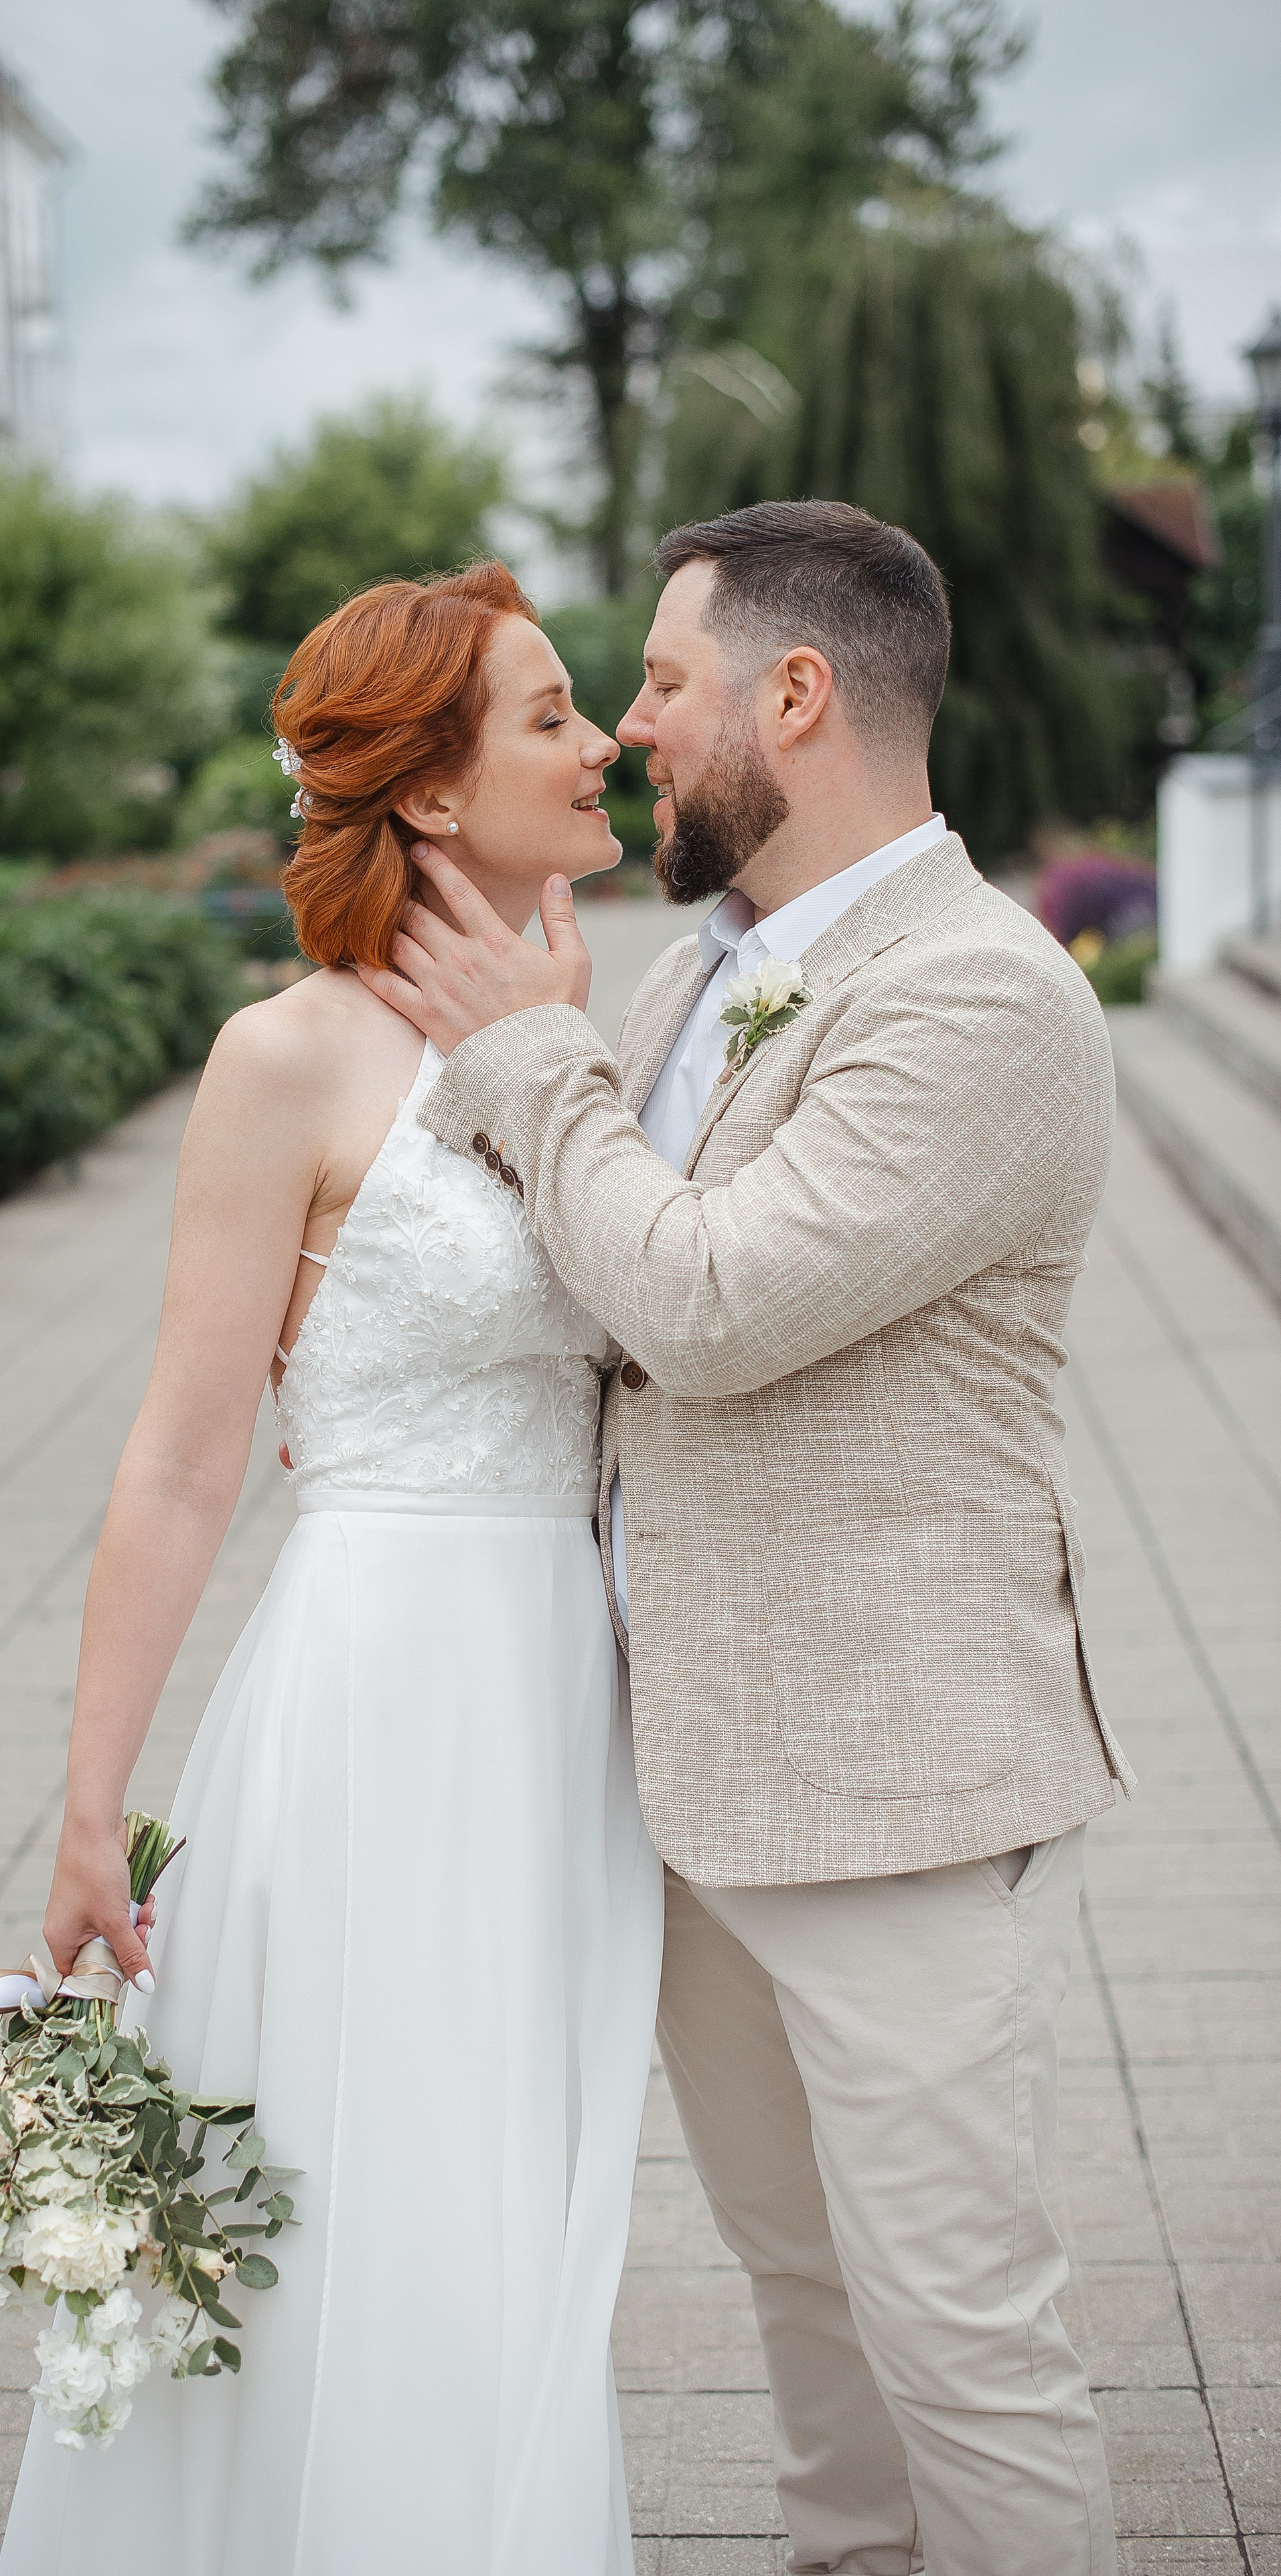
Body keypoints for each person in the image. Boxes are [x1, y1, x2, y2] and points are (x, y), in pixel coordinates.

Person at [363, 501, 1131, 2576]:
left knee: (965, 2344)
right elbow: (582, 1281)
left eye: (664, 684)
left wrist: (525, 1058)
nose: (625, 733)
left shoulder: (975, 997)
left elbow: (699, 1305)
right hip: (695, 1770)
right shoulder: (709, 971)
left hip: (885, 1783)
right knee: (811, 2326)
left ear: (799, 698)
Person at [0, 561, 664, 2576]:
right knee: (383, 2195)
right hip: (382, 1686)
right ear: (437, 796)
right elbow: (192, 1454)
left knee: (520, 2205)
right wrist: (92, 1799)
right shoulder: (284, 1060)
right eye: (553, 712)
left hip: (565, 1689)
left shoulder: (589, 1023)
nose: (605, 738)